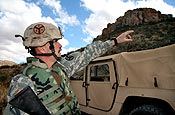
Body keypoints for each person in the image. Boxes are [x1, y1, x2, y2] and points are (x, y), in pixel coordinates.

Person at [3, 22, 133, 115]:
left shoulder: (61, 68)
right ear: (43, 48)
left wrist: (115, 41)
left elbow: (88, 54)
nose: (60, 45)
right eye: (55, 41)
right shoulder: (23, 83)